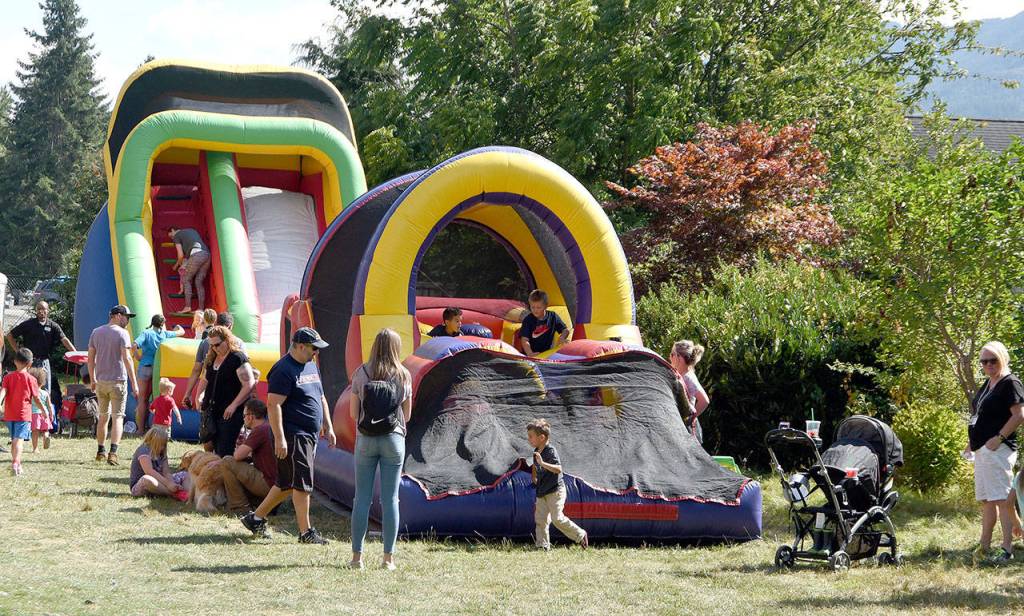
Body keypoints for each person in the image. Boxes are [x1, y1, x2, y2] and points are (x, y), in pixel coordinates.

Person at [241, 327, 335, 545]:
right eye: (313, 348)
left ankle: (255, 518)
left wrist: (328, 426)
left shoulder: (310, 364)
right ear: (300, 346)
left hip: (309, 434)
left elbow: (321, 398)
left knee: (286, 483)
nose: (316, 353)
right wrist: (280, 437)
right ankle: (306, 532)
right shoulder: (283, 370)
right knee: (302, 484)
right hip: (294, 435)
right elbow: (273, 405)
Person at [347, 328, 413, 570]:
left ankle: (357, 558)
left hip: (366, 439)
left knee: (361, 499)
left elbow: (354, 413)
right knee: (391, 499)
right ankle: (388, 559)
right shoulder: (404, 375)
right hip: (394, 439)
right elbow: (406, 415)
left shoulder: (361, 372)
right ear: (396, 348)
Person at [967, 341, 1024, 563]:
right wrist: (971, 442)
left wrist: (999, 437)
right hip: (982, 448)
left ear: (1003, 358)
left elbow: (1019, 415)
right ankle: (984, 546)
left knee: (1002, 499)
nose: (988, 364)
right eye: (984, 361)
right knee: (987, 500)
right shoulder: (989, 383)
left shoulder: (1011, 383)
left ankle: (1007, 548)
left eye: (993, 360)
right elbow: (979, 416)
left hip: (998, 448)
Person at [88, 305, 140, 466]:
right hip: (118, 381)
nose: (128, 320)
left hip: (101, 382)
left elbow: (90, 359)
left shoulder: (96, 332)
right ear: (117, 315)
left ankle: (100, 451)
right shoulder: (123, 333)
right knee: (118, 417)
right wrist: (134, 382)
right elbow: (127, 358)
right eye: (127, 317)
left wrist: (92, 379)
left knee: (103, 417)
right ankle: (113, 452)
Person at [527, 418, 588, 550]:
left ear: (542, 437)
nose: (529, 439)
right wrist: (534, 477)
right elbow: (535, 465)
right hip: (542, 491)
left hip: (555, 491)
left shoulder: (551, 451)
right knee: (541, 520)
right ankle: (542, 545)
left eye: (531, 436)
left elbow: (558, 469)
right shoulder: (536, 451)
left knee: (557, 518)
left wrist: (543, 464)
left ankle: (580, 534)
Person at [195, 326, 255, 457]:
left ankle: (225, 475)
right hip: (211, 411)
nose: (215, 348)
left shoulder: (237, 358)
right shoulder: (211, 358)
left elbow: (249, 384)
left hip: (230, 413)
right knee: (210, 446)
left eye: (217, 344)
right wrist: (198, 395)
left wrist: (233, 405)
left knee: (224, 450)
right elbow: (205, 378)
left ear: (227, 340)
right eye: (212, 345)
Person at [5, 300, 76, 407]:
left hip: (44, 362)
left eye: (43, 309)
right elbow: (10, 335)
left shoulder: (53, 326)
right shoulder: (28, 324)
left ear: (48, 311)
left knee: (45, 390)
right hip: (29, 363)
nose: (41, 311)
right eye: (39, 309)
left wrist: (75, 353)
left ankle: (44, 417)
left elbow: (64, 339)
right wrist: (18, 351)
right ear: (36, 311)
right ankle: (26, 413)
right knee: (26, 389)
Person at [221, 399, 278, 514]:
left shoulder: (259, 430)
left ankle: (240, 507)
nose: (243, 418)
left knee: (227, 461)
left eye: (244, 415)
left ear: (251, 416)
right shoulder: (270, 427)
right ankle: (265, 505)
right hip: (277, 487)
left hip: (267, 484)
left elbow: (237, 456)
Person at [182, 312, 245, 416]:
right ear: (230, 326)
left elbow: (197, 370)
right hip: (230, 395)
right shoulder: (238, 343)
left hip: (210, 395)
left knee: (209, 426)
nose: (215, 348)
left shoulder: (205, 343)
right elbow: (246, 372)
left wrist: (188, 393)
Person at [132, 314, 185, 435]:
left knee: (142, 399)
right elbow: (181, 332)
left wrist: (138, 356)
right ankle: (155, 428)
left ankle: (140, 429)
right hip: (158, 369)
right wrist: (177, 326)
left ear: (152, 322)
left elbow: (134, 344)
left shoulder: (146, 333)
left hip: (145, 366)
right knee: (158, 397)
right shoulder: (165, 334)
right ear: (162, 324)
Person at [0, 348, 47, 475]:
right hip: (23, 415)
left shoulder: (8, 377)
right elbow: (36, 398)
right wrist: (43, 410)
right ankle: (16, 463)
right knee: (18, 440)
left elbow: (3, 392)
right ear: (30, 363)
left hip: (9, 415)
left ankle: (15, 462)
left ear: (15, 361)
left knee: (14, 439)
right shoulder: (31, 380)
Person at [129, 426, 188, 501]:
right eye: (161, 444)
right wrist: (168, 484)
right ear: (153, 442)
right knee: (147, 479)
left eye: (164, 444)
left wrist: (172, 484)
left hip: (161, 481)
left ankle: (189, 493)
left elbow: (166, 472)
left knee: (185, 474)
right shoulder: (143, 451)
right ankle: (174, 494)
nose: (163, 447)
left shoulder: (162, 453)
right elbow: (150, 472)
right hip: (142, 486)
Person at [670, 340, 710, 444]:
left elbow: (704, 401)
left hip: (689, 431)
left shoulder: (688, 377)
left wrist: (690, 418)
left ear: (680, 358)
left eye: (672, 354)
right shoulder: (681, 374)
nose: (670, 357)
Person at [168, 226, 211, 312]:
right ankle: (200, 309)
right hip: (206, 255)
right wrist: (177, 264)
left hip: (197, 255)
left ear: (173, 230)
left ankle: (187, 306)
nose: (172, 238)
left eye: (171, 236)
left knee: (185, 279)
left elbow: (180, 256)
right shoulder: (192, 230)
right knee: (198, 282)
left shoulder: (177, 235)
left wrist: (176, 266)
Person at [520, 290, 569, 356]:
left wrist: (562, 337)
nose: (535, 310)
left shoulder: (553, 316)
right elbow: (524, 340)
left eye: (538, 307)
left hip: (546, 354)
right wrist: (530, 353)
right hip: (531, 354)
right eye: (533, 307)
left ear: (546, 306)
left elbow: (565, 330)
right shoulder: (528, 320)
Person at [27, 366, 53, 452]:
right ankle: (46, 436)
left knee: (35, 432)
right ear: (42, 382)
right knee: (45, 430)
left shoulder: (30, 393)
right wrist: (51, 415)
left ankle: (35, 448)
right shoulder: (45, 393)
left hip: (34, 414)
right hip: (44, 414)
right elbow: (49, 405)